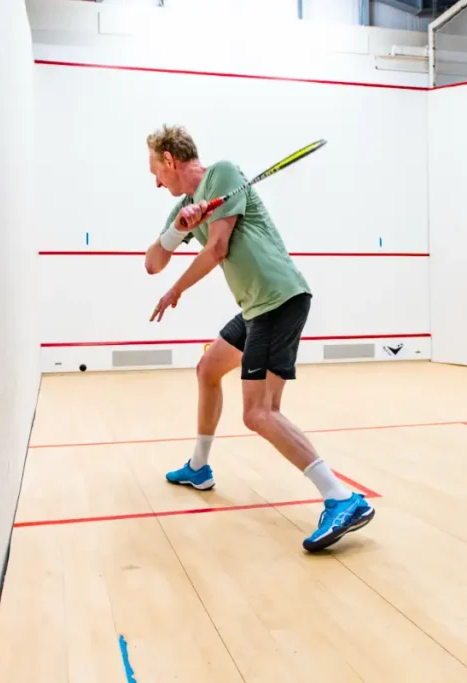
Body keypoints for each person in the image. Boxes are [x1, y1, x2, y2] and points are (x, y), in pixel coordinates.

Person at [142, 124, 374, 551]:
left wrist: (177, 289)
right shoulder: (185, 204)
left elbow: (217, 248)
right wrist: (176, 228)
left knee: (259, 413)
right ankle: (199, 467)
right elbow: (152, 263)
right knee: (209, 369)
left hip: (277, 298)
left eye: (157, 171)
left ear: (171, 161)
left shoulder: (223, 175)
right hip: (255, 308)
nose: (156, 181)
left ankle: (341, 497)